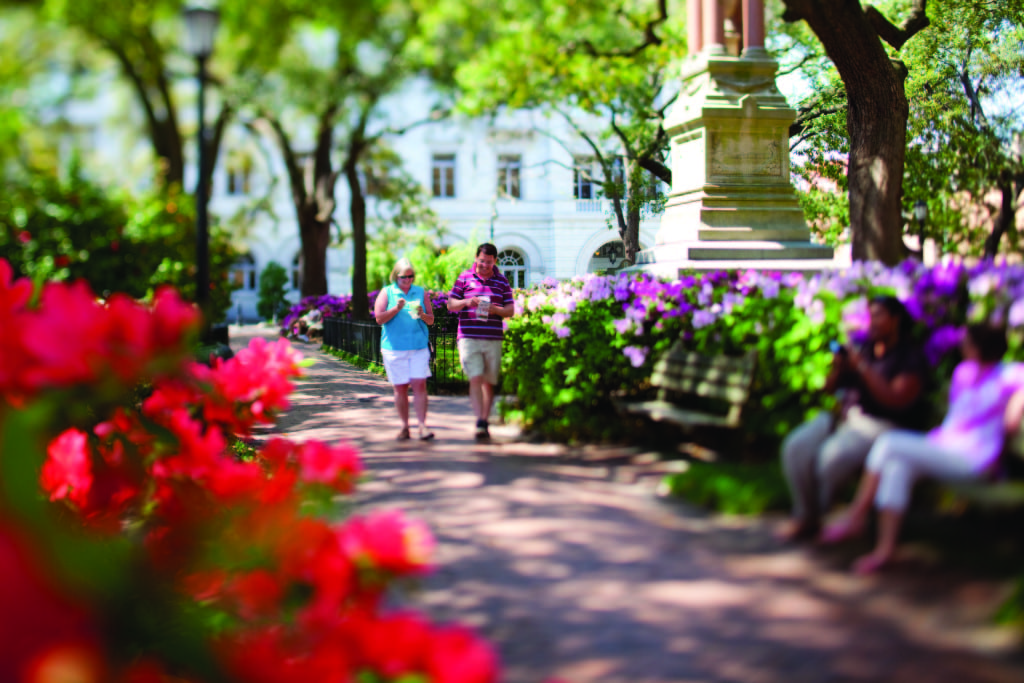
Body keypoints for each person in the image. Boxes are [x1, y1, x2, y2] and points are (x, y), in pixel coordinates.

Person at [820, 323, 1024, 573]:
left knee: (889, 443)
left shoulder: (1010, 374)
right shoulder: (964, 372)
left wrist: (1016, 402)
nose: (962, 346)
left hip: (976, 459)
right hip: (946, 448)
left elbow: (1015, 407)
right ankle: (885, 550)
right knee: (897, 466)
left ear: (979, 346)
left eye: (967, 342)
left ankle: (856, 516)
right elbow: (956, 419)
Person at [778, 296, 929, 541]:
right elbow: (830, 389)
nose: (872, 322)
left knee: (830, 459)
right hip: (844, 417)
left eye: (879, 315)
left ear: (895, 319)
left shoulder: (909, 357)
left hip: (882, 425)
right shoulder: (866, 349)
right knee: (795, 447)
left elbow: (895, 399)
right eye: (871, 316)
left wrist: (862, 368)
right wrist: (839, 368)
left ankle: (826, 516)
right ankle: (807, 516)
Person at [447, 243, 515, 440]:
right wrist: (467, 302)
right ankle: (480, 421)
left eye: (489, 261)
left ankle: (485, 418)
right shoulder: (464, 278)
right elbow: (451, 305)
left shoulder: (502, 281)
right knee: (475, 377)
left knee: (488, 382)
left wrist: (496, 310)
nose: (484, 265)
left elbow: (510, 310)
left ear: (495, 261)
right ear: (476, 258)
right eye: (481, 260)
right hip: (468, 336)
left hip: (493, 337)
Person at [374, 258, 435, 441]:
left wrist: (422, 314)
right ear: (396, 276)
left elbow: (431, 320)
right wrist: (396, 308)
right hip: (394, 348)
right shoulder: (387, 292)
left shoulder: (420, 292)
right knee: (400, 388)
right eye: (403, 277)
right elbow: (379, 318)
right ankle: (404, 427)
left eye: (411, 276)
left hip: (418, 346)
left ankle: (422, 426)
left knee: (420, 386)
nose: (407, 280)